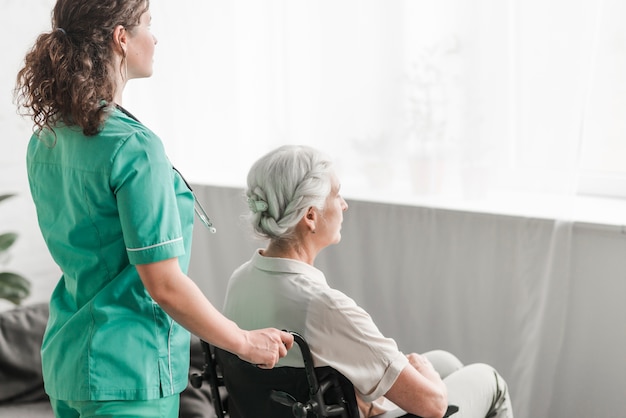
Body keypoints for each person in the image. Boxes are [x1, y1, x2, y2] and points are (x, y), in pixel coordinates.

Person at [14, 1, 293, 417]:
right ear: (120, 38)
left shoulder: (47, 138)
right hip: (129, 375)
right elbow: (162, 283)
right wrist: (244, 342)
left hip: (68, 365)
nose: (155, 37)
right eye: (147, 24)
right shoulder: (134, 147)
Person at [222, 144, 514, 418]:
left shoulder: (239, 282)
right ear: (310, 216)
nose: (344, 205)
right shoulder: (324, 307)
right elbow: (435, 405)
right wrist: (431, 379)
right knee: (489, 380)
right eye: (337, 194)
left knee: (445, 361)